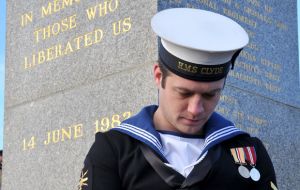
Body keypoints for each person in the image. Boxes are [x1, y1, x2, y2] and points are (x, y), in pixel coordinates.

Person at [78, 8, 278, 190]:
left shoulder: (249, 151)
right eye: (184, 93)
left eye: (210, 94)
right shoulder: (114, 149)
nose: (195, 109)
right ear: (158, 76)